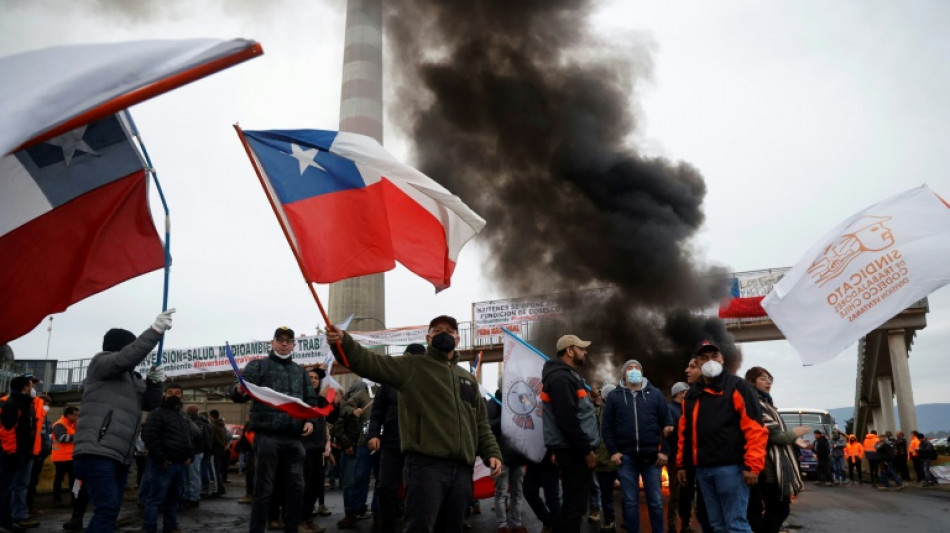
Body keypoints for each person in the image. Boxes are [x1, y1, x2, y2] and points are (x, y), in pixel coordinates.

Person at [326, 315, 502, 533]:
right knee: (419, 527)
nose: (444, 334)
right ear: (428, 338)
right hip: (426, 467)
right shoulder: (413, 366)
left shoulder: (467, 378)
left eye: (449, 330)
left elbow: (480, 423)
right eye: (437, 330)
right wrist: (343, 342)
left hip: (461, 471)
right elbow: (370, 363)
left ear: (457, 339)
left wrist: (491, 452)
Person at [69, 309, 174, 533]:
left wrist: (156, 383)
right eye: (130, 346)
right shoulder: (101, 363)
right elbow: (127, 357)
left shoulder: (133, 379)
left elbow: (150, 403)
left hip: (120, 456)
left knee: (110, 509)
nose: (134, 354)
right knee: (107, 509)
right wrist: (155, 331)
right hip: (97, 451)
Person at [230, 326, 322, 533]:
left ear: (293, 345)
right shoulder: (258, 366)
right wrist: (238, 388)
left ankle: (291, 529)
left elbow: (311, 401)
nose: (283, 343)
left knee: (297, 490)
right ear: (272, 343)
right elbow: (238, 392)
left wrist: (310, 421)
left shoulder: (300, 372)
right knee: (264, 490)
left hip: (294, 439)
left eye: (288, 340)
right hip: (267, 437)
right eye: (279, 339)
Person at [675, 341, 767, 533]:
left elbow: (755, 428)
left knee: (736, 525)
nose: (710, 361)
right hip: (703, 471)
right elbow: (685, 432)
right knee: (716, 525)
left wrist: (753, 465)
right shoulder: (692, 394)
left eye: (714, 356)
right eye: (704, 358)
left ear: (723, 359)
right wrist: (682, 464)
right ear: (698, 362)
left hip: (731, 469)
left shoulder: (737, 386)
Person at [602, 359, 673, 533]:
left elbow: (668, 424)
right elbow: (607, 427)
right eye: (630, 368)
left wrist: (664, 452)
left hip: (651, 458)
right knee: (630, 501)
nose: (634, 370)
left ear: (642, 372)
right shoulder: (614, 396)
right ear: (624, 373)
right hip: (626, 458)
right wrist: (614, 452)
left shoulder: (655, 394)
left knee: (655, 501)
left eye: (637, 368)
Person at [539, 334, 600, 533]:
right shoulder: (560, 377)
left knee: (575, 506)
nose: (585, 352)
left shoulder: (568, 376)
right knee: (574, 508)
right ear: (570, 351)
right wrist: (585, 450)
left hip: (573, 450)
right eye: (581, 348)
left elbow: (576, 412)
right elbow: (567, 420)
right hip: (574, 452)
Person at [743, 367, 806, 533]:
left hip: (765, 465)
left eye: (770, 378)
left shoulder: (766, 403)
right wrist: (794, 434)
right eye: (763, 378)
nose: (768, 382)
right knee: (777, 508)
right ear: (752, 382)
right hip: (765, 465)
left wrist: (793, 438)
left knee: (771, 509)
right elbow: (775, 435)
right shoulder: (756, 403)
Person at [141, 382, 200, 533]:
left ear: (182, 396)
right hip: (163, 465)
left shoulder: (182, 415)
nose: (173, 395)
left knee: (174, 499)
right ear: (165, 394)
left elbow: (189, 438)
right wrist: (161, 459)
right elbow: (150, 437)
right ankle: (150, 528)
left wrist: (190, 456)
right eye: (170, 392)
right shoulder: (157, 413)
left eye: (177, 393)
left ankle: (170, 526)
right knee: (155, 499)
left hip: (180, 464)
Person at [367, 353, 414, 533]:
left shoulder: (428, 382)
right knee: (386, 488)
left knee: (418, 491)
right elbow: (376, 413)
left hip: (419, 448)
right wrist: (373, 435)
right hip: (391, 445)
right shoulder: (388, 384)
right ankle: (387, 524)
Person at [0, 376, 43, 532]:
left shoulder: (26, 405)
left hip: (25, 452)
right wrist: (11, 453)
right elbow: (7, 431)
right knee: (8, 487)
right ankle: (6, 521)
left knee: (19, 486)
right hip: (15, 453)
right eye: (31, 385)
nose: (33, 389)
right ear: (25, 388)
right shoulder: (12, 404)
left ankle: (16, 517)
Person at [332, 379, 376, 528]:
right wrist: (347, 444)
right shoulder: (358, 399)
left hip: (372, 443)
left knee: (378, 481)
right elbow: (338, 425)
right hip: (356, 446)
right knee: (354, 481)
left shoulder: (380, 396)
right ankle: (352, 512)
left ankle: (374, 511)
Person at [486, 388, 529, 533]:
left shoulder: (520, 401)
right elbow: (487, 426)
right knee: (501, 492)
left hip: (519, 456)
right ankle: (502, 525)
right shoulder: (493, 403)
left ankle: (516, 524)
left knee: (517, 493)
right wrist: (503, 418)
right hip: (501, 456)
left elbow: (529, 423)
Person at [300, 367, 332, 533]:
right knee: (304, 487)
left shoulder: (320, 400)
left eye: (316, 378)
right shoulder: (299, 398)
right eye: (310, 377)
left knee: (314, 487)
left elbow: (331, 418)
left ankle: (307, 519)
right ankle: (300, 521)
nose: (313, 379)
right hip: (303, 448)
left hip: (317, 449)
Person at [592, 385, 618, 533]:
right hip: (607, 458)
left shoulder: (616, 410)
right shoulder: (597, 412)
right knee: (607, 493)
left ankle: (610, 521)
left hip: (609, 458)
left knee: (607, 493)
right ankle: (611, 520)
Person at [666, 382, 690, 533]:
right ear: (679, 393)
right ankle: (672, 526)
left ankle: (687, 525)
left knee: (689, 495)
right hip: (675, 457)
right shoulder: (669, 410)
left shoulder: (689, 409)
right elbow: (669, 432)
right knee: (676, 495)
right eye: (686, 392)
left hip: (690, 458)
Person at [183, 404, 212, 508]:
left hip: (193, 452)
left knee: (189, 475)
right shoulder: (204, 422)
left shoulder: (188, 422)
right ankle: (193, 497)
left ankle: (189, 496)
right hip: (199, 452)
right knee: (194, 475)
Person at [51, 405, 79, 505]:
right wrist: (78, 436)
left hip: (71, 457)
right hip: (61, 458)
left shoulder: (73, 425)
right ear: (68, 415)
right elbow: (62, 438)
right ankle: (57, 500)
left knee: (73, 479)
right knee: (60, 479)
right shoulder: (59, 424)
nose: (76, 417)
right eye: (75, 415)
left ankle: (75, 499)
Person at [209, 409, 231, 497]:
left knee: (215, 471)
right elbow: (225, 437)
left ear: (212, 416)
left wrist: (222, 446)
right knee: (218, 471)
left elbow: (215, 439)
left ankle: (217, 490)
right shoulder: (222, 425)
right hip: (221, 451)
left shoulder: (213, 426)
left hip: (215, 451)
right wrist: (225, 446)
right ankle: (220, 488)